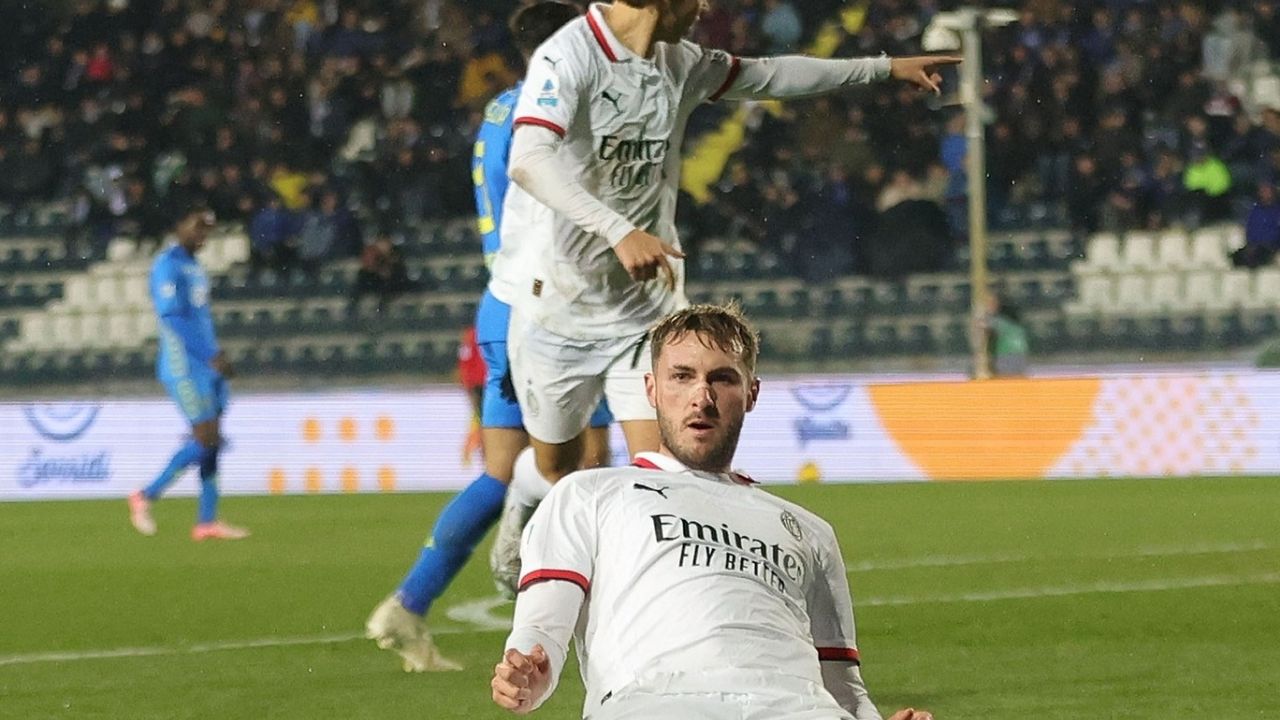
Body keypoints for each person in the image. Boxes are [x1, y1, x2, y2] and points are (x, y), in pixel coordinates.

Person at [491, 0, 961, 590]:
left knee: (659, 470)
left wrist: (883, 67)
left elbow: (772, 74)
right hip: (560, 306)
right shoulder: (570, 55)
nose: (705, 7)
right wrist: (617, 230)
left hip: (648, 312)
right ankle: (525, 500)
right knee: (558, 465)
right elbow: (530, 160)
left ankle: (647, 598)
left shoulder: (681, 63)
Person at [491, 303, 931, 720]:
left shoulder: (809, 531)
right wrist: (528, 673)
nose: (701, 397)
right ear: (652, 391)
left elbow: (843, 684)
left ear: (751, 393)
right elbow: (541, 631)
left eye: (722, 379)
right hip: (657, 705)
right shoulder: (590, 494)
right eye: (681, 377)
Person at [363, 1, 612, 673]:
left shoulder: (501, 108)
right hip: (557, 309)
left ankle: (408, 604)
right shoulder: (556, 113)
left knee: (502, 473)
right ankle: (592, 630)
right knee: (589, 465)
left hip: (502, 307)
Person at [128, 208, 249, 541]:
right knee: (208, 440)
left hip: (207, 366)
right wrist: (212, 355)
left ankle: (206, 521)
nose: (202, 236)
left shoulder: (194, 266)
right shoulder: (167, 265)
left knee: (211, 444)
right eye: (197, 228)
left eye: (207, 231)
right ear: (178, 225)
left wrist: (216, 357)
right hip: (184, 367)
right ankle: (145, 496)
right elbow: (173, 318)